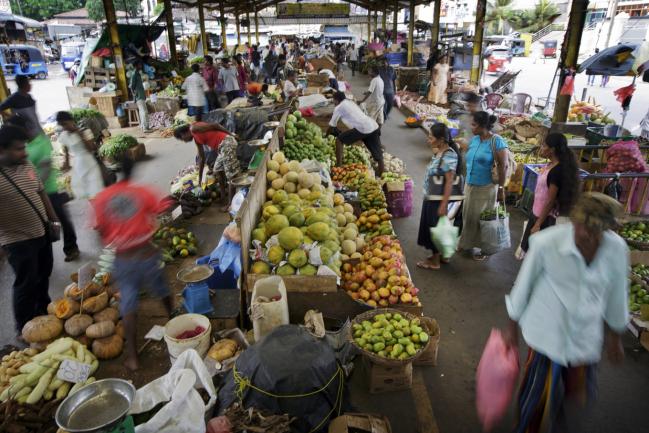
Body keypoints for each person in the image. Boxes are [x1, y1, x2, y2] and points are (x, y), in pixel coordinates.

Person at [504, 192, 627, 433]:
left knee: (575, 402)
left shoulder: (616, 249)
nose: (587, 235)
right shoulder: (547, 243)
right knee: (535, 399)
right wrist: (511, 329)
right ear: (574, 220)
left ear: (607, 230)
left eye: (596, 231)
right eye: (582, 227)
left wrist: (615, 335)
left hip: (584, 339)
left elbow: (617, 293)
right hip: (545, 335)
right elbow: (523, 285)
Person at [91, 157, 173, 370]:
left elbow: (99, 229)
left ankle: (133, 357)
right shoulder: (143, 192)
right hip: (147, 255)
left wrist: (114, 238)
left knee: (128, 305)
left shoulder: (101, 199)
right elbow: (163, 208)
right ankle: (174, 320)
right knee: (163, 290)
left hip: (124, 259)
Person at [2, 78, 80, 262]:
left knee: (61, 220)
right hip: (32, 193)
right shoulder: (21, 146)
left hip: (48, 190)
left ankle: (71, 247)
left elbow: (44, 169)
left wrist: (34, 189)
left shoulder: (41, 142)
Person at [0, 125, 59, 337]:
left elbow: (41, 193)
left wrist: (54, 220)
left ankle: (44, 311)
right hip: (17, 241)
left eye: (24, 147)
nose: (24, 152)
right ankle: (23, 327)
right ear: (2, 150)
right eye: (18, 149)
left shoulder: (26, 164)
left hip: (41, 231)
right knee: (25, 283)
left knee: (44, 274)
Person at [458, 111, 508, 260]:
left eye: (473, 124)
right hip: (470, 185)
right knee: (468, 217)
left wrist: (501, 188)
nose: (471, 127)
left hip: (486, 188)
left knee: (484, 221)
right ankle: (466, 243)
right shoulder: (475, 140)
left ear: (483, 126)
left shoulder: (496, 141)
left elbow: (503, 166)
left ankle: (485, 249)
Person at [520, 132, 579, 252]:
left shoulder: (557, 171)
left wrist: (538, 224)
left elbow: (550, 200)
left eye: (544, 146)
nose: (541, 148)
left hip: (545, 218)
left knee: (536, 252)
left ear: (552, 150)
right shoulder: (550, 165)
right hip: (537, 213)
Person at [417, 123, 463, 270]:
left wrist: (444, 204)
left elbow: (449, 181)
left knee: (434, 227)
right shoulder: (441, 152)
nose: (428, 139)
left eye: (431, 137)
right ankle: (441, 256)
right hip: (432, 196)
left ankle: (435, 262)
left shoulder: (448, 154)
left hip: (437, 199)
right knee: (436, 227)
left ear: (441, 139)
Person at [327, 91, 384, 176]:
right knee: (378, 155)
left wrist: (326, 135)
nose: (333, 102)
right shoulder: (349, 102)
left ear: (336, 100)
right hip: (373, 126)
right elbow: (346, 112)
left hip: (362, 128)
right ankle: (382, 175)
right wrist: (329, 115)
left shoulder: (338, 107)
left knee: (339, 140)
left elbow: (332, 125)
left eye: (333, 100)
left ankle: (339, 166)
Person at [174, 121, 234, 197]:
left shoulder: (193, 128)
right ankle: (223, 196)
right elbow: (202, 158)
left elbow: (215, 125)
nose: (184, 141)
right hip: (221, 148)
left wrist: (231, 135)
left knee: (231, 175)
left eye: (182, 139)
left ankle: (230, 203)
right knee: (217, 170)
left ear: (183, 133)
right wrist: (200, 179)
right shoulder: (197, 140)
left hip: (227, 143)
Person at [55, 111, 105, 199]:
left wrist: (80, 135)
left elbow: (91, 149)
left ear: (71, 121)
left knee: (95, 191)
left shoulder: (85, 131)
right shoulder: (64, 136)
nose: (64, 127)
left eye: (65, 124)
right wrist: (65, 165)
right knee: (81, 191)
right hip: (78, 165)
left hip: (90, 164)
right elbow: (66, 153)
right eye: (62, 125)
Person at [129, 61, 150, 132]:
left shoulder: (138, 74)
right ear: (136, 66)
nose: (140, 66)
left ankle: (144, 126)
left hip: (141, 95)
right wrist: (134, 94)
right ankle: (145, 128)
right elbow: (131, 86)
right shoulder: (134, 74)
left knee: (142, 112)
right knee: (144, 112)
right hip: (139, 96)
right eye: (139, 64)